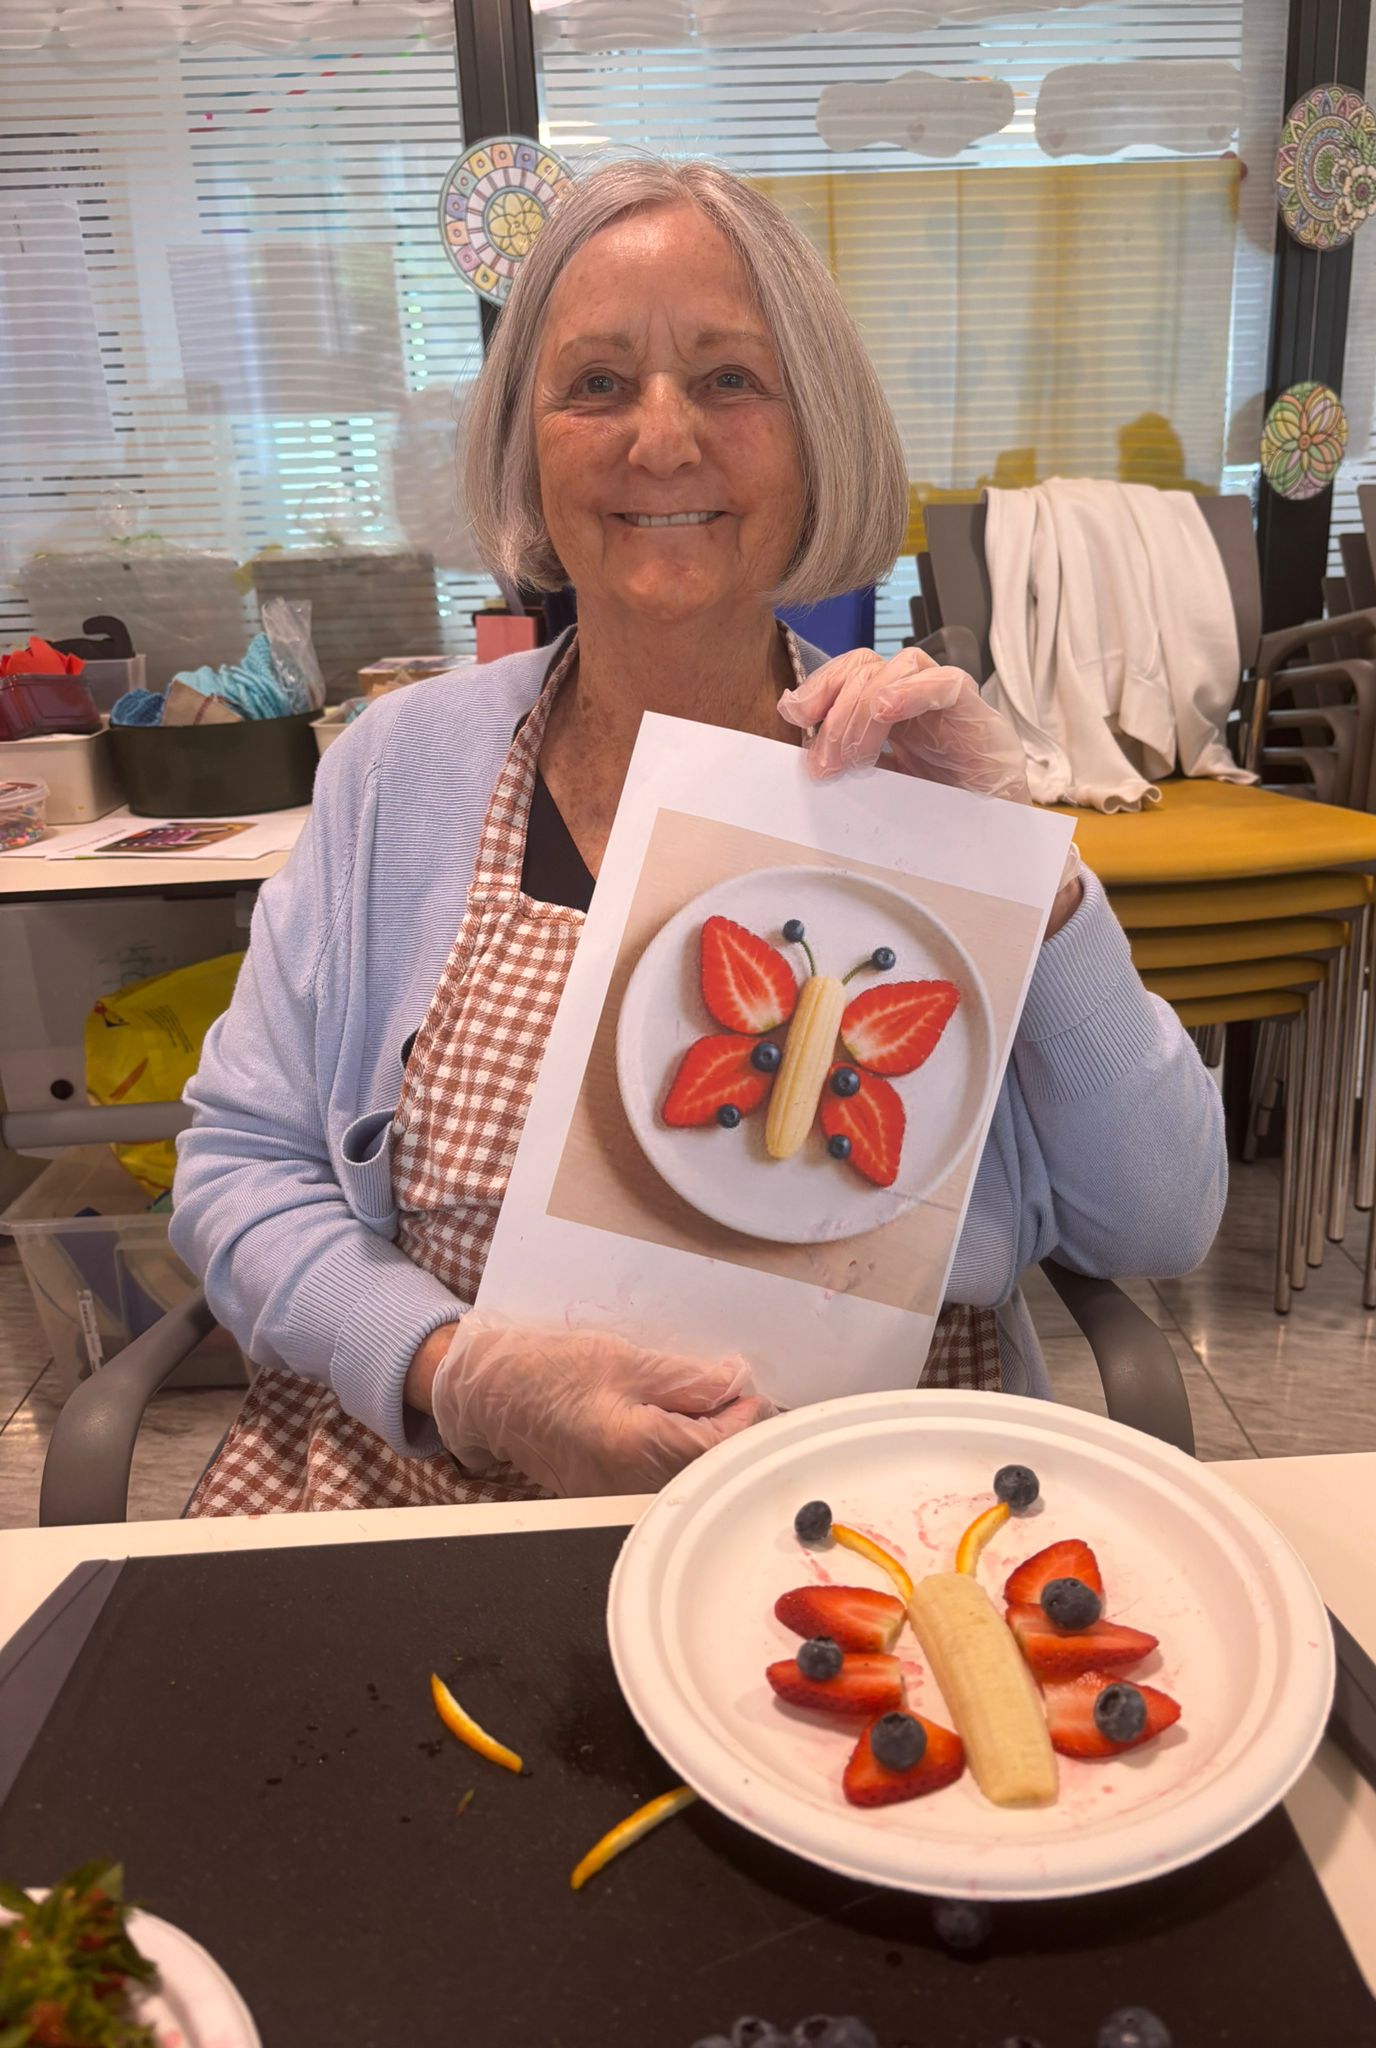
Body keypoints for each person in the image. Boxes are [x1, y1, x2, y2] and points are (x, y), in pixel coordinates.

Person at [170, 158, 1226, 1515]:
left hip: (863, 1503)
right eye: (597, 383)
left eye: (730, 379)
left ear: (816, 435)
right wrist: (455, 1370)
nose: (661, 439)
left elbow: (1162, 1222)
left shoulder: (923, 781)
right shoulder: (399, 766)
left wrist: (1033, 870)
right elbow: (242, 1169)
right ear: (526, 446)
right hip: (440, 1481)